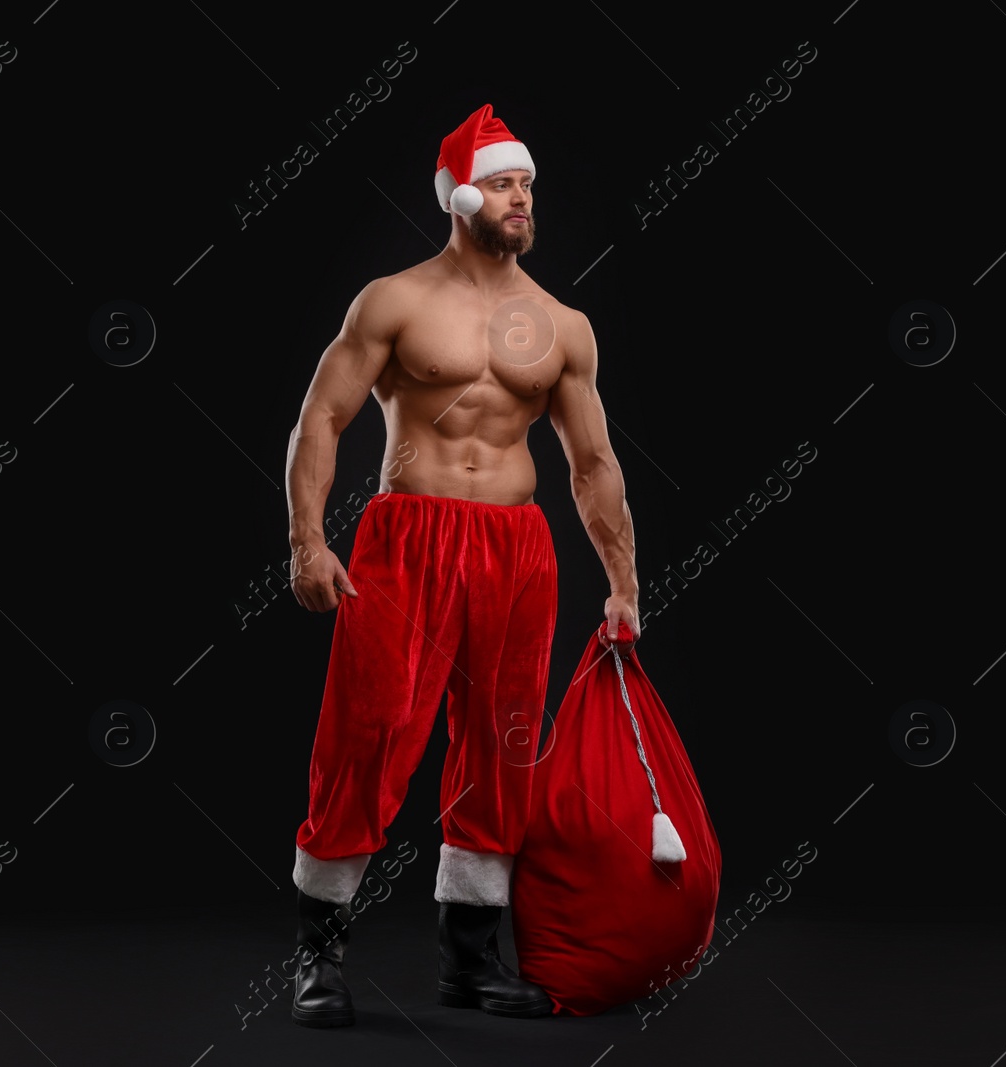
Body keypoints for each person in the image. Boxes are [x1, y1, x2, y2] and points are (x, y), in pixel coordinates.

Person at [282, 103, 641, 1028]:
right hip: (409, 536)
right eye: (509, 183)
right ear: (461, 193)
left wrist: (625, 580)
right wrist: (308, 540)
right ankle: (317, 957)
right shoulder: (394, 300)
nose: (524, 198)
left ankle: (471, 962)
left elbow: (593, 464)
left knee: (504, 740)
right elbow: (322, 417)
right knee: (368, 731)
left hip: (516, 548)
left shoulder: (562, 324)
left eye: (530, 185)